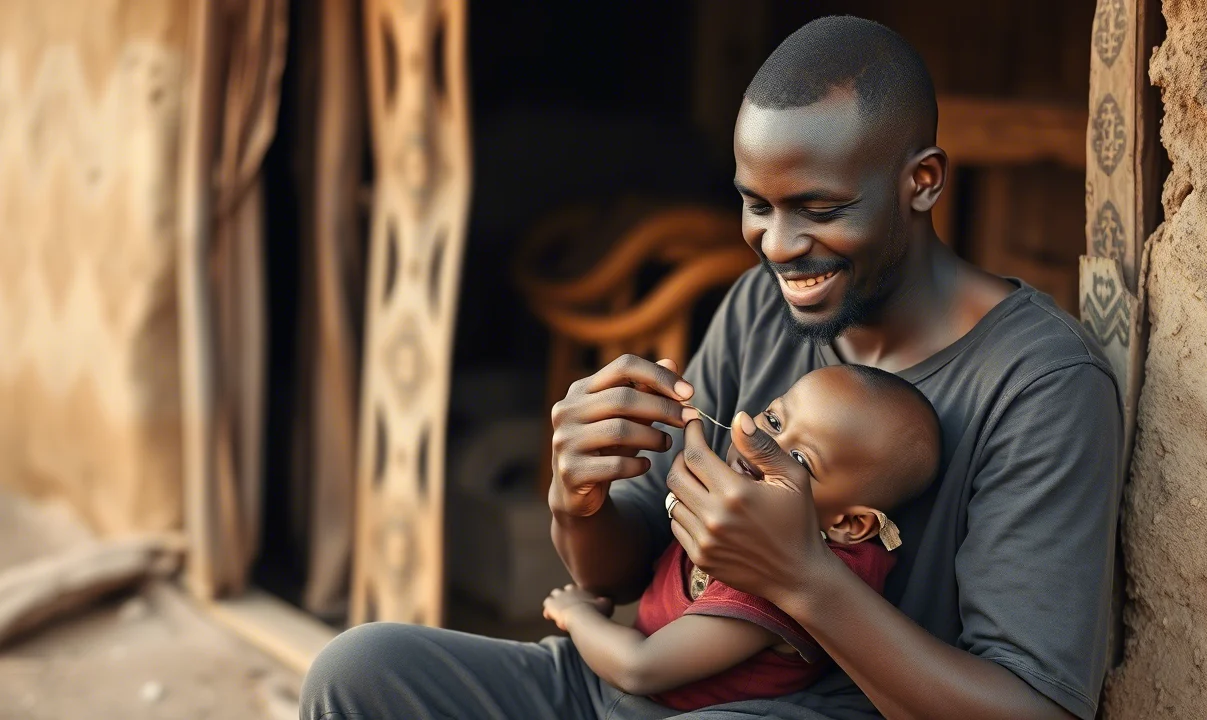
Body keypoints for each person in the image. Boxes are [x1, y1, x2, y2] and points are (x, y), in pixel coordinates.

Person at [301, 15, 1122, 720]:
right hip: (631, 689)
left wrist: (803, 578)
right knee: (361, 672)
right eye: (757, 205)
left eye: (820, 209)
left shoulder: (1038, 384)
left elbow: (1033, 709)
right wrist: (577, 498)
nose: (778, 246)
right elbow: (622, 567)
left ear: (922, 182)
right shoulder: (764, 305)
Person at [541, 364, 942, 712]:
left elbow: (639, 668)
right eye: (774, 421)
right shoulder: (731, 502)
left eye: (799, 459)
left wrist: (577, 614)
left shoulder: (778, 573)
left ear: (850, 524)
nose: (760, 448)